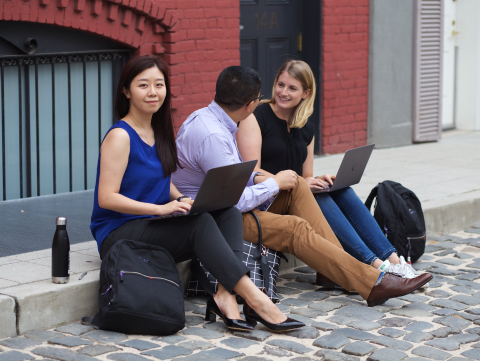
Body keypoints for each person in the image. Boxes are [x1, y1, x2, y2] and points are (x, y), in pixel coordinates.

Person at [172, 65, 432, 308]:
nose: (282, 93)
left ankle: (340, 271)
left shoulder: (213, 119)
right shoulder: (214, 135)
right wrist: (274, 182)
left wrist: (268, 180)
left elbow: (235, 174)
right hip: (216, 217)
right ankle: (371, 282)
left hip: (227, 205)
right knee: (295, 227)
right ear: (251, 105)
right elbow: (234, 201)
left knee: (297, 184)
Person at [90, 56, 304, 333]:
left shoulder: (158, 130)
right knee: (201, 223)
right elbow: (106, 198)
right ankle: (257, 299)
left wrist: (179, 198)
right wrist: (161, 209)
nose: (153, 92)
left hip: (151, 225)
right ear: (126, 91)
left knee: (225, 209)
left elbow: (161, 178)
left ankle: (225, 296)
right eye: (143, 85)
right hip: (118, 234)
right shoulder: (120, 136)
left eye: (159, 84)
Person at [236, 60, 424, 287]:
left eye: (292, 88)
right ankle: (374, 266)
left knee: (340, 190)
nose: (283, 92)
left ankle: (394, 261)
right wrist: (298, 183)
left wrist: (315, 181)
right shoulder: (256, 117)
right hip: (266, 199)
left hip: (296, 195)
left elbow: (306, 175)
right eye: (281, 84)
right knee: (320, 196)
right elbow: (251, 171)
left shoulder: (306, 126)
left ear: (306, 93)